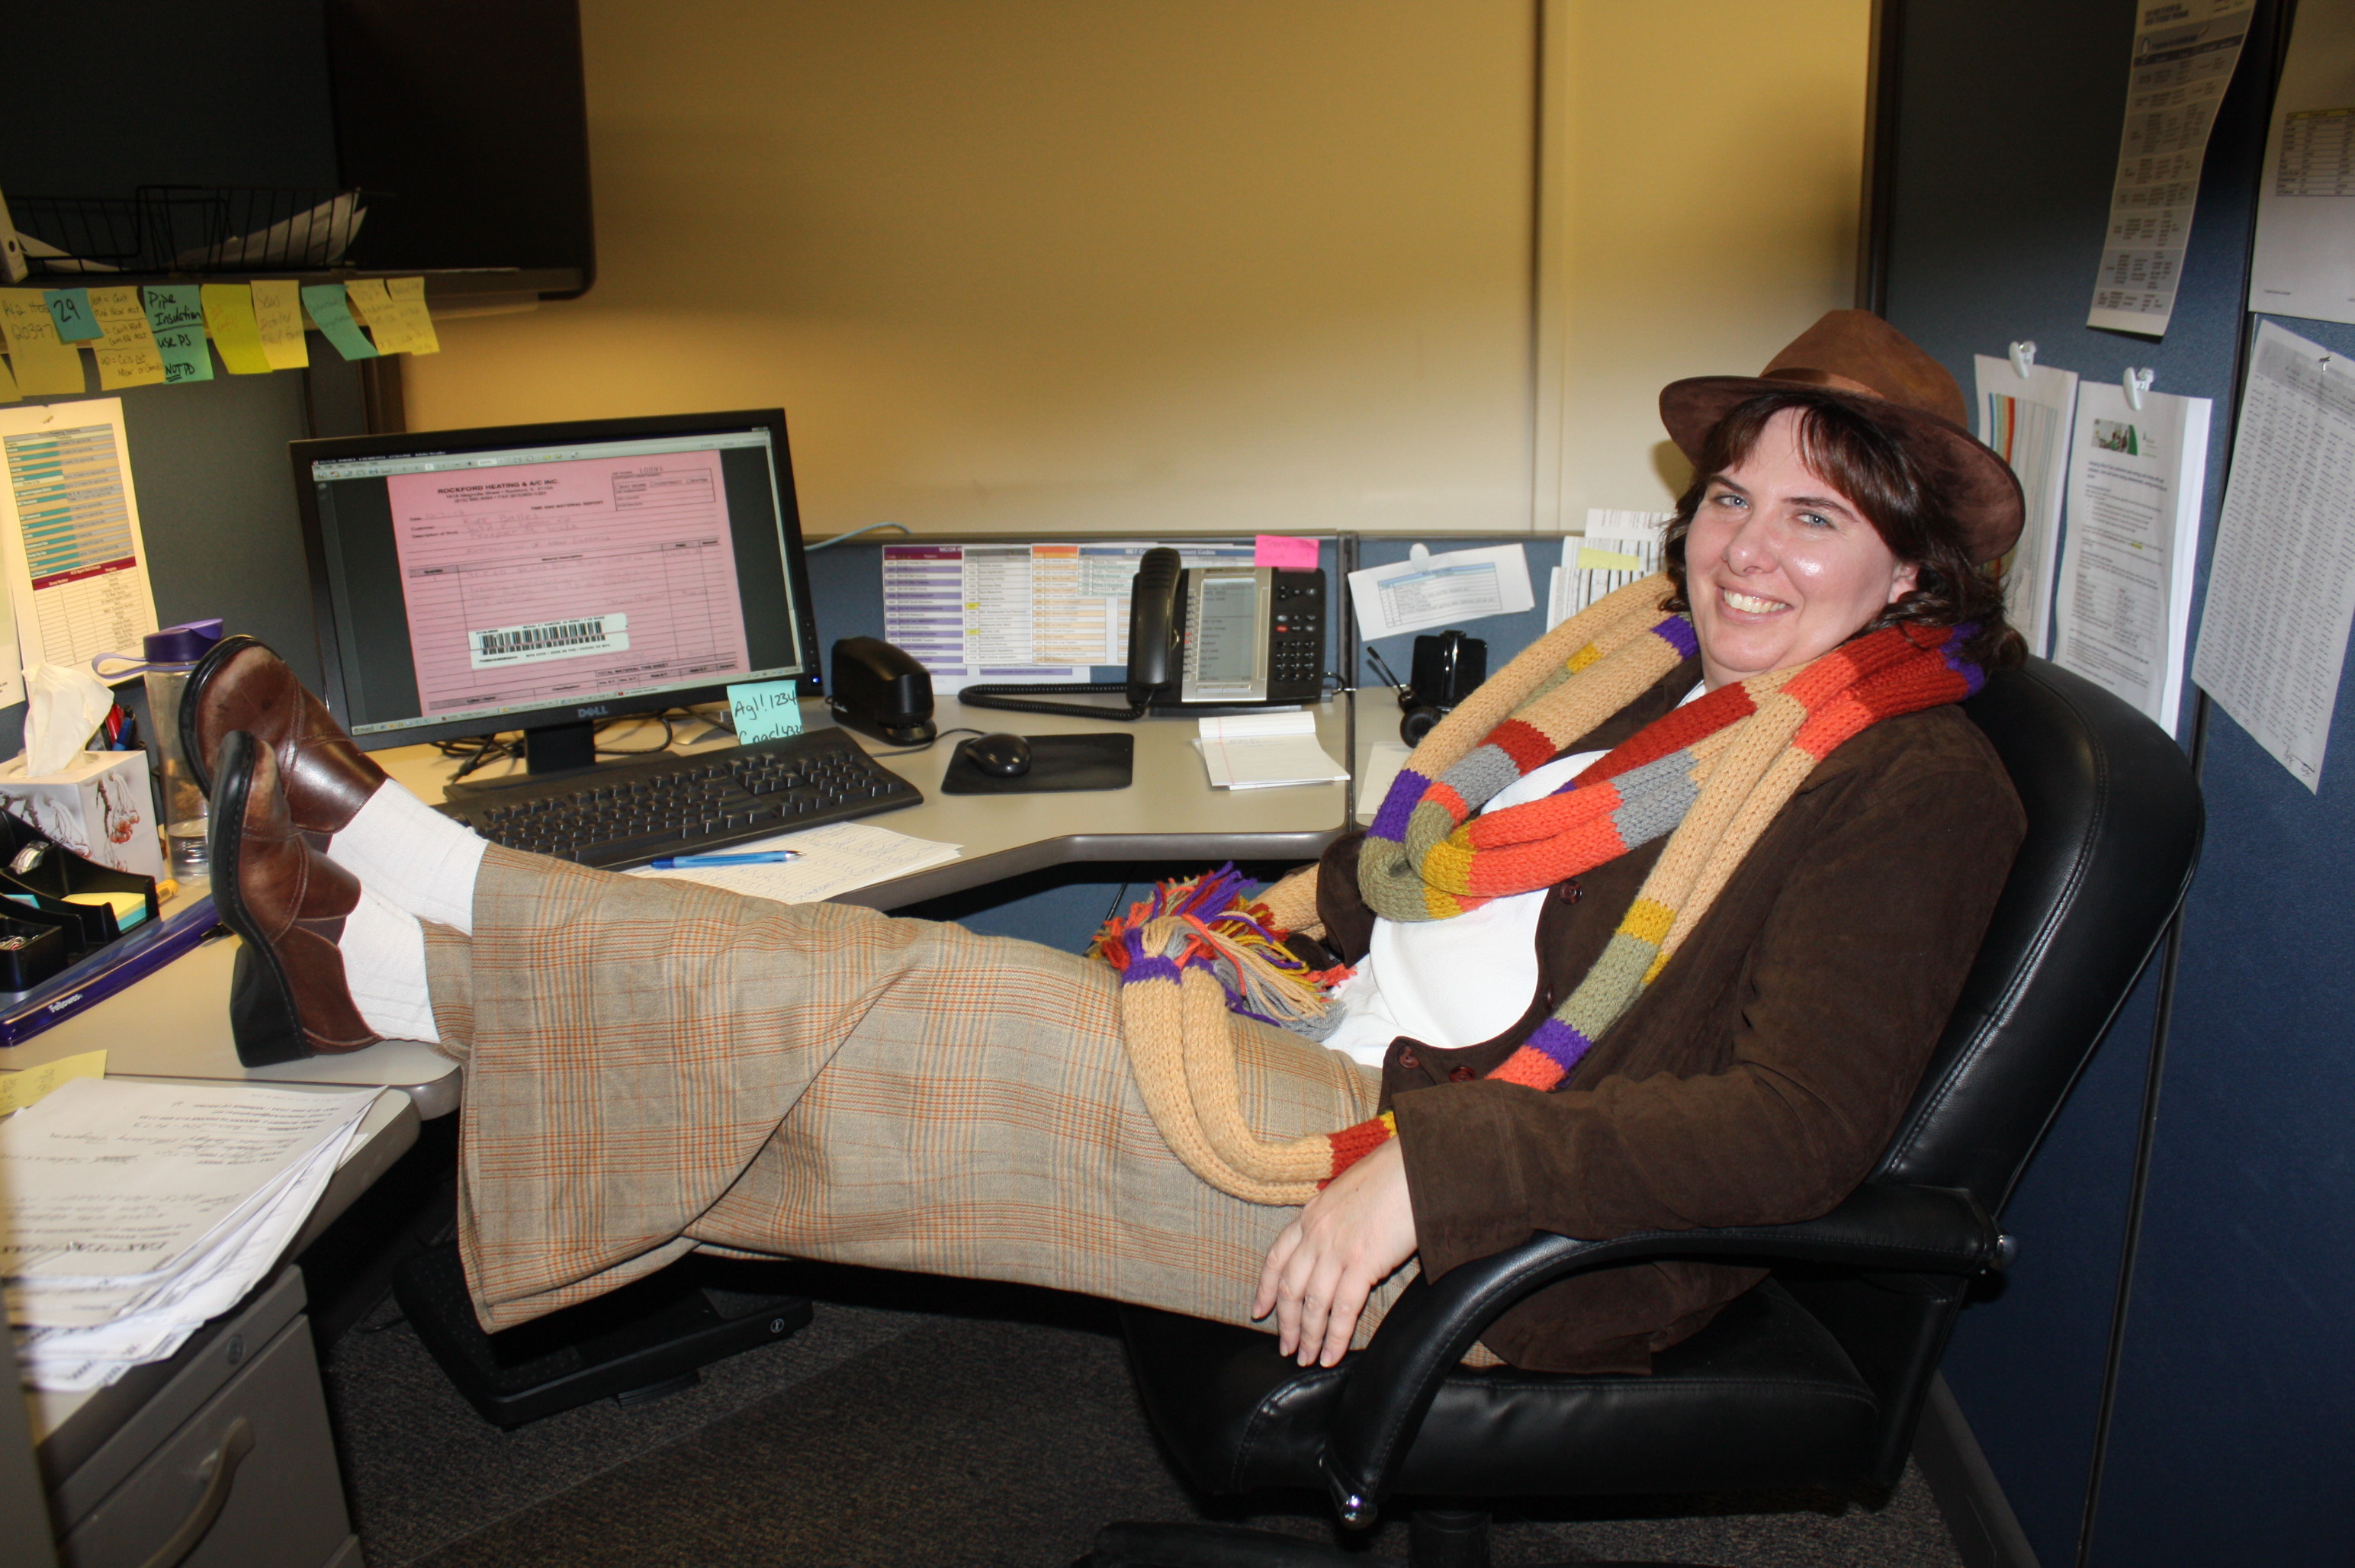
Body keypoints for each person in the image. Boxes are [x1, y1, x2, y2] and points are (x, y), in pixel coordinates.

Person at [189, 310, 2027, 1377]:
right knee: (882, 978)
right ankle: (406, 930)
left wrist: (1434, 1168)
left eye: (1812, 518)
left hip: (1505, 1207)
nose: (1742, 549)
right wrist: (1276, 911)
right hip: (1358, 1045)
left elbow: (1788, 1128)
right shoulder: (1649, 667)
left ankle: (405, 932)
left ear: (1905, 568)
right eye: (1729, 497)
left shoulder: (1911, 785)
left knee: (925, 1011)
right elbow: (1424, 867)